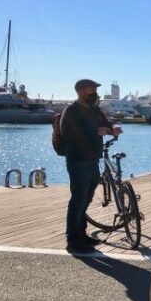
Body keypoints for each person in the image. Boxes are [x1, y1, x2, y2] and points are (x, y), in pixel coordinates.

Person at [60, 79, 122, 252]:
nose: (94, 92)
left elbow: (105, 124)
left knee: (86, 198)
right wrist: (95, 131)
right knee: (78, 199)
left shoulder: (95, 109)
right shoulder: (71, 110)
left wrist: (113, 128)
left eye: (95, 89)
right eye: (91, 89)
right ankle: (72, 240)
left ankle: (82, 234)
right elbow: (68, 132)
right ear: (80, 91)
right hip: (77, 160)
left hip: (93, 159)